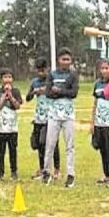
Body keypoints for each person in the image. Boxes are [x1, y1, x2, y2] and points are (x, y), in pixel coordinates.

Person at [42, 48, 79, 188]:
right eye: (63, 59)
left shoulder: (73, 75)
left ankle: (70, 174)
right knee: (50, 143)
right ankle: (46, 171)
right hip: (54, 114)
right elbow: (48, 93)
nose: (65, 62)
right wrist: (61, 92)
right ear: (58, 60)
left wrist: (60, 91)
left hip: (68, 114)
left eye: (68, 59)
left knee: (70, 145)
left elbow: (74, 93)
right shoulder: (52, 74)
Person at [27, 57, 60, 180]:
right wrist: (34, 92)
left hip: (51, 117)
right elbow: (28, 98)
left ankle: (56, 169)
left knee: (52, 143)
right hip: (38, 117)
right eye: (38, 71)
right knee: (39, 144)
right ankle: (42, 168)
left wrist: (46, 90)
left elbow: (57, 94)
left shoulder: (52, 80)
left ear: (47, 69)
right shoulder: (34, 82)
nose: (41, 73)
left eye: (43, 70)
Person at [90, 59, 109, 185]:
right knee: (102, 149)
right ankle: (107, 175)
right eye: (102, 68)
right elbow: (95, 104)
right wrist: (92, 123)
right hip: (99, 122)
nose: (104, 70)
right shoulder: (97, 84)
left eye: (107, 68)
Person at [0, 68, 23, 181]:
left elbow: (17, 106)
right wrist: (3, 97)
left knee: (13, 151)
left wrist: (11, 96)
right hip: (1, 128)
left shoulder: (16, 91)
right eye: (5, 77)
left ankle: (14, 172)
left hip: (12, 128)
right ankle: (0, 173)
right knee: (0, 152)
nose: (8, 79)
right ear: (1, 79)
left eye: (10, 77)